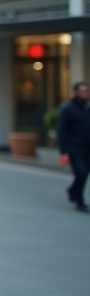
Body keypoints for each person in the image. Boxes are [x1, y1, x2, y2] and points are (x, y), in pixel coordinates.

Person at [57, 81, 90, 212]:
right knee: (80, 173)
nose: (86, 94)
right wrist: (64, 151)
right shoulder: (68, 108)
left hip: (88, 147)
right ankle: (79, 199)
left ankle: (73, 191)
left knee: (85, 174)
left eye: (87, 91)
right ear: (76, 92)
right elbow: (62, 131)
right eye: (84, 91)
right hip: (74, 148)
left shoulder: (87, 108)